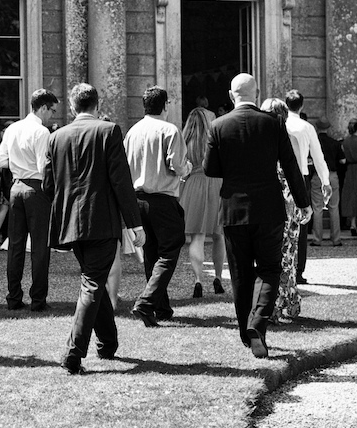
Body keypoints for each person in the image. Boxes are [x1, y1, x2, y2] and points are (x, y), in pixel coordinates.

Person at [204, 73, 310, 359]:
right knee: (269, 268)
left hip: (233, 208)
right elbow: (290, 164)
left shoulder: (217, 126)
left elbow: (210, 169)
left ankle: (246, 333)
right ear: (257, 92)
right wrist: (304, 202)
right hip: (268, 207)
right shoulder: (273, 123)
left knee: (240, 273)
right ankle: (257, 325)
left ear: (230, 95)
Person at [42, 83, 144, 374]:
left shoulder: (56, 137)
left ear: (73, 107)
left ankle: (107, 344)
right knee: (92, 283)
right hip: (101, 220)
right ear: (97, 105)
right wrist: (135, 224)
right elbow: (121, 181)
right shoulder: (108, 131)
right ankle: (73, 353)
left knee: (93, 279)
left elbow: (49, 185)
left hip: (71, 223)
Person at [125, 86, 192, 326]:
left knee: (151, 254)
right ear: (164, 105)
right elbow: (176, 164)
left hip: (137, 200)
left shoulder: (132, 132)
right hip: (163, 198)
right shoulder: (169, 129)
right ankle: (146, 303)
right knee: (169, 250)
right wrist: (188, 168)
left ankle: (160, 308)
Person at [0, 89, 59, 311]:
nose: (52, 116)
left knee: (15, 245)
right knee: (40, 246)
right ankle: (38, 300)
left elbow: (0, 161)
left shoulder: (13, 128)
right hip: (36, 188)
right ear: (42, 108)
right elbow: (44, 167)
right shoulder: (41, 132)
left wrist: (18, 164)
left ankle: (13, 297)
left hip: (16, 188)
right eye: (52, 111)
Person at [262, 98, 305, 324]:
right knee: (287, 257)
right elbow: (296, 177)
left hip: (276, 204)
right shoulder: (290, 140)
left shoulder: (259, 142)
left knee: (277, 256)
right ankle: (285, 302)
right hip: (288, 203)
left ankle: (276, 304)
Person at [179, 99, 226, 298]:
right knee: (219, 235)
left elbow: (181, 168)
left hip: (194, 184)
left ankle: (198, 280)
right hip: (216, 184)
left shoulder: (185, 141)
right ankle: (218, 278)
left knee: (196, 237)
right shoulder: (214, 139)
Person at [283, 91, 331, 284]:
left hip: (282, 176)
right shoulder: (306, 127)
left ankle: (284, 267)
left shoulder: (281, 123)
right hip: (301, 175)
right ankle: (299, 270)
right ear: (301, 106)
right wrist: (325, 181)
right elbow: (318, 157)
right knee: (302, 222)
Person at [315, 117, 345, 244]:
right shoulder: (335, 143)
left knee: (317, 208)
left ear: (316, 127)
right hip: (332, 175)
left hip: (317, 176)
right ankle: (336, 239)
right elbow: (343, 161)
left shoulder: (314, 142)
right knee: (334, 207)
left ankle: (317, 239)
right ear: (328, 128)